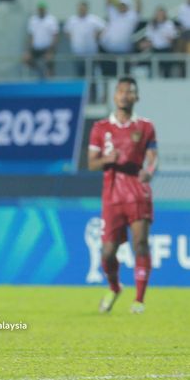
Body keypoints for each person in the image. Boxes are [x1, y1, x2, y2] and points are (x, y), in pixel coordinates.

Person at [88, 77, 158, 314]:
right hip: (112, 196)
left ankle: (139, 300)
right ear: (115, 96)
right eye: (121, 91)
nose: (125, 95)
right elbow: (91, 163)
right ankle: (115, 287)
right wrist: (108, 159)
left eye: (130, 92)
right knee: (107, 252)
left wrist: (149, 172)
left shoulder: (146, 126)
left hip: (139, 193)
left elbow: (153, 158)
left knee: (140, 244)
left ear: (136, 97)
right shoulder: (100, 128)